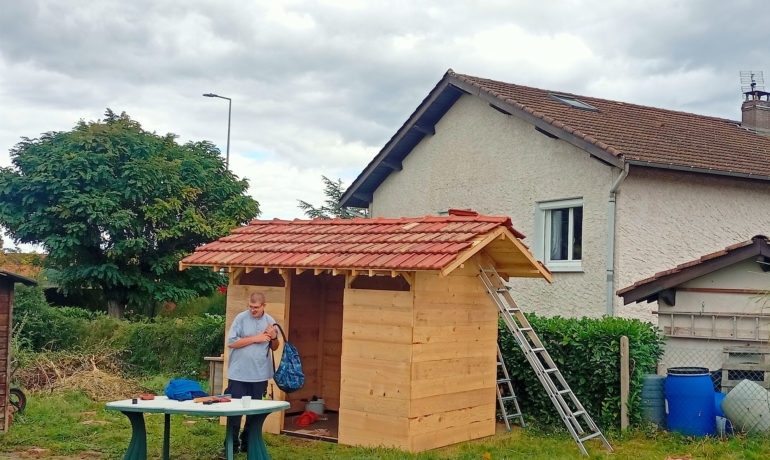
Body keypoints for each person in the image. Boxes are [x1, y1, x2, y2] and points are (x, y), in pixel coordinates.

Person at [224, 291, 279, 453]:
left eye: (256, 307)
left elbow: (274, 347)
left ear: (264, 306)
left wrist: (274, 337)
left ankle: (248, 443)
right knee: (234, 412)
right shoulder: (241, 318)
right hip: (238, 374)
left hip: (259, 375)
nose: (252, 310)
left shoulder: (270, 321)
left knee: (254, 412)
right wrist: (256, 338)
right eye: (250, 306)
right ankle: (231, 445)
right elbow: (232, 342)